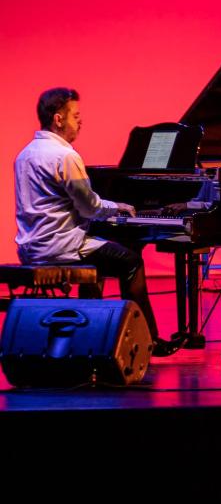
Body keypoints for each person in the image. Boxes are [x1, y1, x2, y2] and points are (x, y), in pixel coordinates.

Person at [14, 87, 160, 340]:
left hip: (31, 246)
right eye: (76, 117)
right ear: (58, 119)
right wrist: (117, 207)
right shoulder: (65, 156)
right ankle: (146, 338)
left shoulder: (25, 154)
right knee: (131, 261)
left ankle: (90, 335)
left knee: (99, 256)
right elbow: (89, 207)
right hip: (61, 246)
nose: (81, 123)